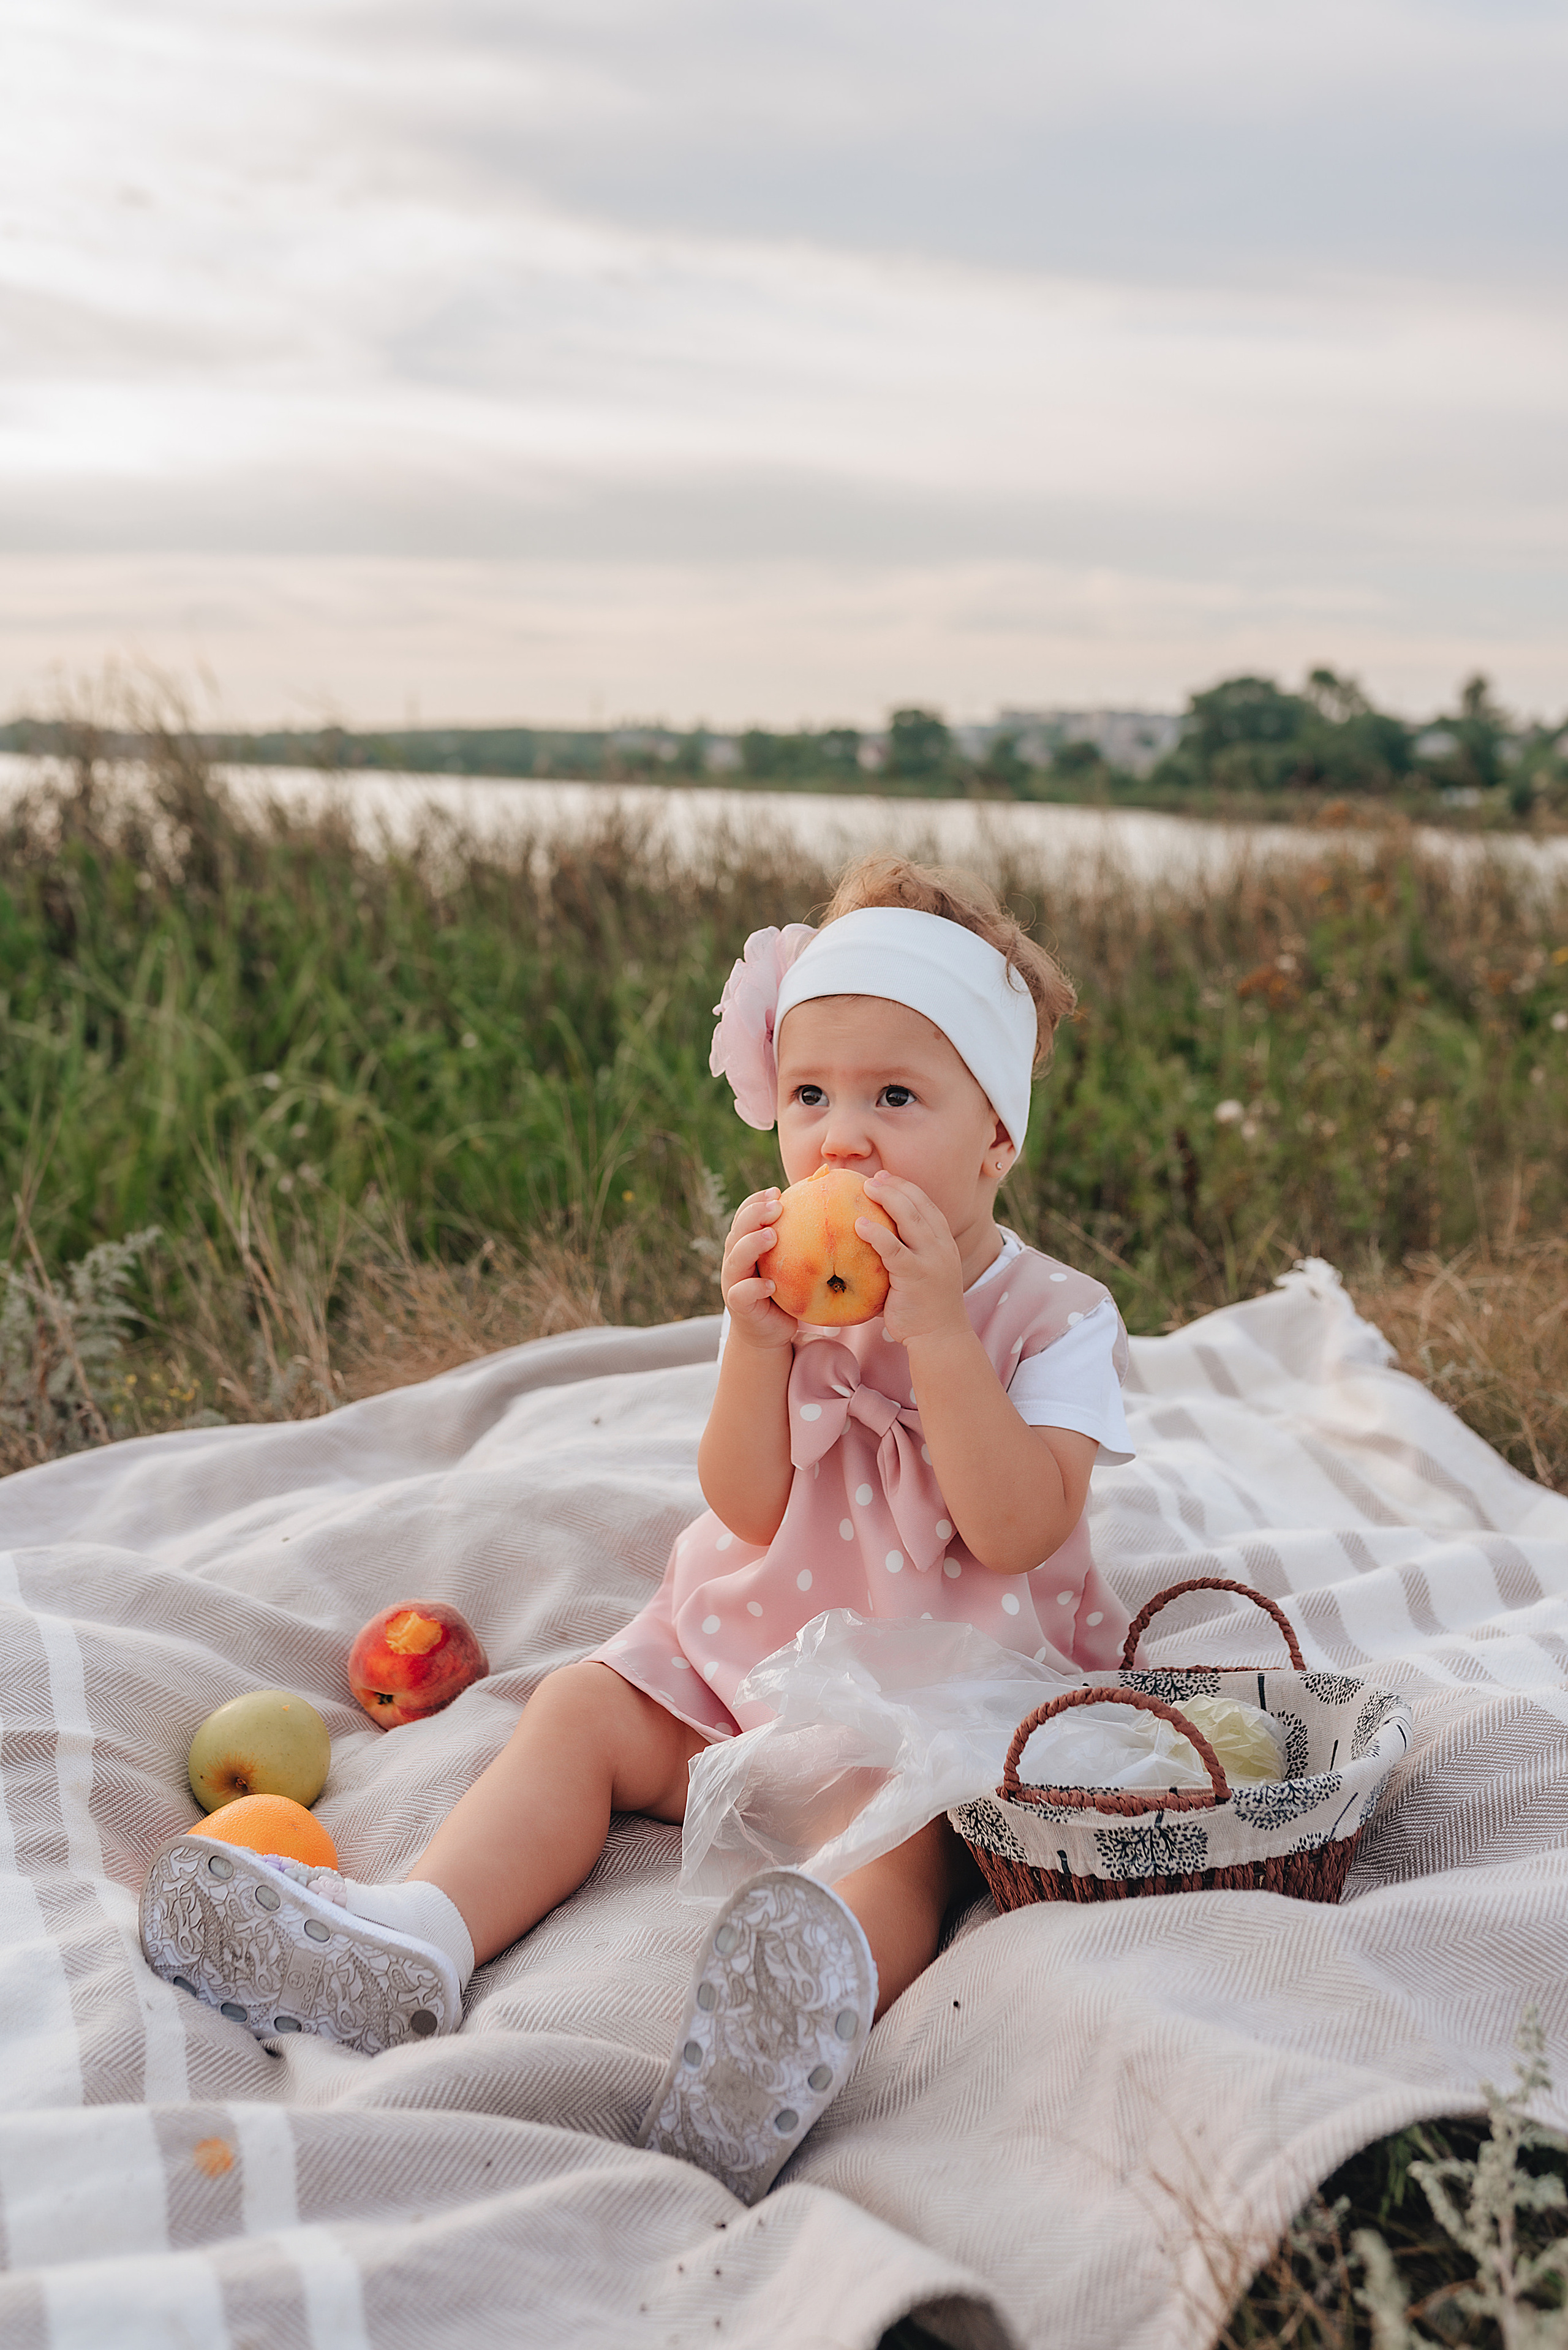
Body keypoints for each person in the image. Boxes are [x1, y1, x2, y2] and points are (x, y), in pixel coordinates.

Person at [140, 853, 1134, 2204]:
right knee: (579, 1710)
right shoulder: (795, 1288)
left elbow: (1017, 1526)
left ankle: (783, 2033)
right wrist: (752, 1342)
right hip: (748, 1655)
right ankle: (414, 1938)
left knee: (892, 1838)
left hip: (924, 1694)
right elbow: (745, 1500)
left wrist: (937, 1334)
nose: (841, 1139)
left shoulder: (1052, 1316)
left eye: (895, 1096)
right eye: (808, 1095)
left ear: (995, 1136)